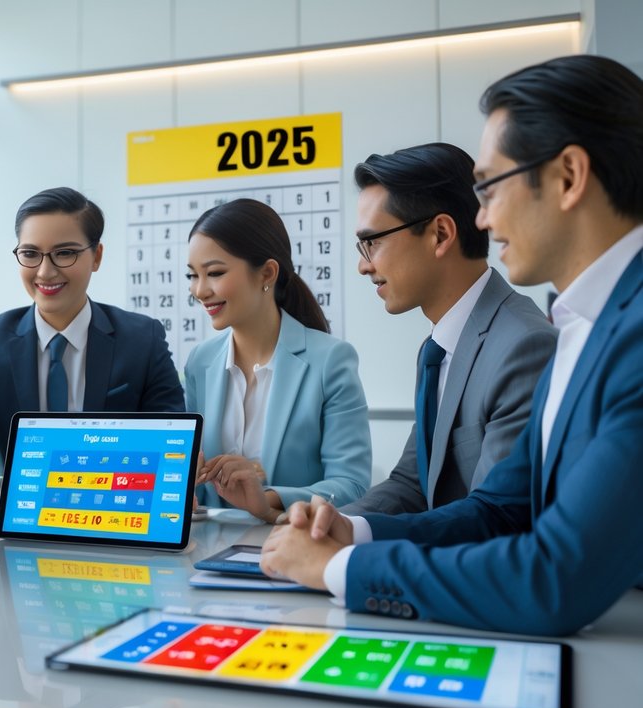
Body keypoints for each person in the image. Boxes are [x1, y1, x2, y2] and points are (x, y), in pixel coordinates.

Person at [262, 54, 643, 635]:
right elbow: (499, 509)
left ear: (568, 177)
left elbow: (556, 575)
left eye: (489, 187)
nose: (481, 219)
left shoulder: (616, 333)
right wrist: (354, 531)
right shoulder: (581, 326)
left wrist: (342, 567)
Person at [341, 143, 556, 515]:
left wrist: (352, 540)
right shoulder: (436, 348)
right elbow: (411, 484)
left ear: (440, 234)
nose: (363, 266)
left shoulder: (523, 347)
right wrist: (331, 525)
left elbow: (494, 517)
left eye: (372, 242)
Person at [0, 187, 184, 469]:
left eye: (64, 253)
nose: (45, 271)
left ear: (96, 256)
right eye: (30, 253)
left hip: (111, 504)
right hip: (21, 507)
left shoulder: (142, 339)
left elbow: (172, 439)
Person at [183, 198, 370, 523]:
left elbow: (351, 485)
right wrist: (184, 488)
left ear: (267, 273)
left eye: (214, 273)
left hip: (293, 546)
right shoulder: (200, 363)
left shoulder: (331, 361)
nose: (200, 290)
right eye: (192, 275)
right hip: (205, 553)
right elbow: (191, 485)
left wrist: (265, 498)